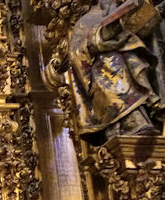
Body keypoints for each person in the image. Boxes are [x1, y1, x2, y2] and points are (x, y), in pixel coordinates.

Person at [68, 0, 163, 143]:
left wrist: (158, 11)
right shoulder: (87, 20)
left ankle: (143, 113)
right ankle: (130, 119)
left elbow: (142, 29)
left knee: (137, 53)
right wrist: (114, 27)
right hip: (102, 71)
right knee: (115, 58)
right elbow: (85, 47)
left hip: (135, 60)